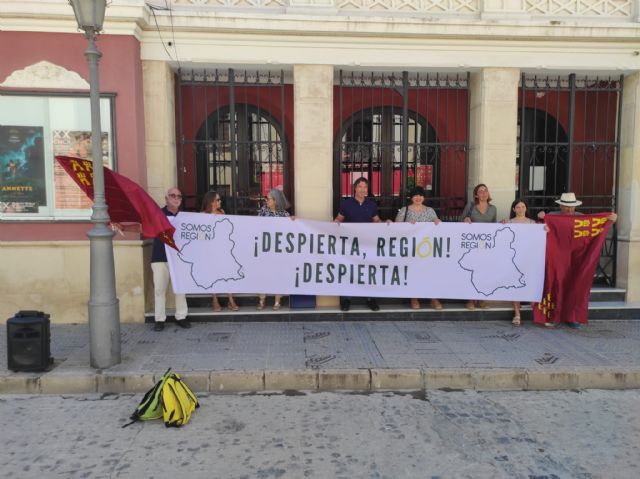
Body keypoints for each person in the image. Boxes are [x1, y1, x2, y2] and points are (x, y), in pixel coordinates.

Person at [537, 192, 617, 329]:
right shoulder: (553, 216)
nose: (569, 209)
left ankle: (572, 317)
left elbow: (595, 229)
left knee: (576, 286)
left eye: (572, 206)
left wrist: (610, 220)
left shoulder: (581, 218)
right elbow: (541, 231)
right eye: (566, 206)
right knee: (556, 285)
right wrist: (541, 219)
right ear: (560, 205)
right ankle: (555, 316)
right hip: (558, 258)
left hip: (577, 258)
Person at [334, 176, 385, 312]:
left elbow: (376, 221)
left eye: (365, 187)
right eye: (360, 186)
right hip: (350, 244)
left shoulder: (371, 205)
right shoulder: (346, 204)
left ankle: (371, 299)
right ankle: (346, 300)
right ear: (355, 188)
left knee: (368, 270)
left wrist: (387, 224)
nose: (362, 189)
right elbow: (338, 220)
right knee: (348, 270)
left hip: (367, 244)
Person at [395, 186, 443, 310]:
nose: (418, 198)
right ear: (411, 197)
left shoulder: (430, 210)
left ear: (424, 197)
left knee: (429, 273)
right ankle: (414, 298)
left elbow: (436, 221)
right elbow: (397, 226)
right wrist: (406, 225)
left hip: (427, 249)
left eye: (420, 195)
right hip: (411, 249)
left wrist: (438, 221)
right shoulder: (405, 210)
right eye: (415, 195)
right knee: (413, 273)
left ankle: (433, 298)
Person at [460, 183, 497, 310]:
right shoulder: (470, 206)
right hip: (472, 244)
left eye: (485, 191)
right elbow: (460, 220)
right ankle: (470, 299)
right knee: (471, 271)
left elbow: (494, 226)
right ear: (476, 194)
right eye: (480, 191)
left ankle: (481, 298)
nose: (483, 193)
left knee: (484, 271)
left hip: (485, 245)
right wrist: (465, 220)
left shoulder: (493, 208)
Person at [201, 191, 239, 312]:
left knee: (227, 273)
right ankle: (214, 299)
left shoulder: (222, 213)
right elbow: (200, 234)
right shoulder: (202, 215)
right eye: (218, 200)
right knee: (213, 274)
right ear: (211, 201)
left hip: (222, 247)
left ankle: (231, 299)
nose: (220, 202)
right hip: (209, 249)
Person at [502, 198, 537, 326]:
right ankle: (517, 313)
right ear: (513, 209)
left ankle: (538, 314)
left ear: (526, 208)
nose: (520, 209)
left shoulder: (533, 223)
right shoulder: (509, 222)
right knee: (515, 286)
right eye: (518, 207)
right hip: (514, 259)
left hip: (529, 258)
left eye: (523, 206)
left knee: (531, 285)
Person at [257, 188, 292, 310]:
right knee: (263, 274)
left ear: (276, 201)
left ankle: (277, 301)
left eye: (268, 198)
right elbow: (255, 226)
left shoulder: (285, 214)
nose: (266, 200)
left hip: (279, 249)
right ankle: (262, 300)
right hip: (265, 248)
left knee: (278, 273)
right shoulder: (262, 212)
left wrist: (293, 222)